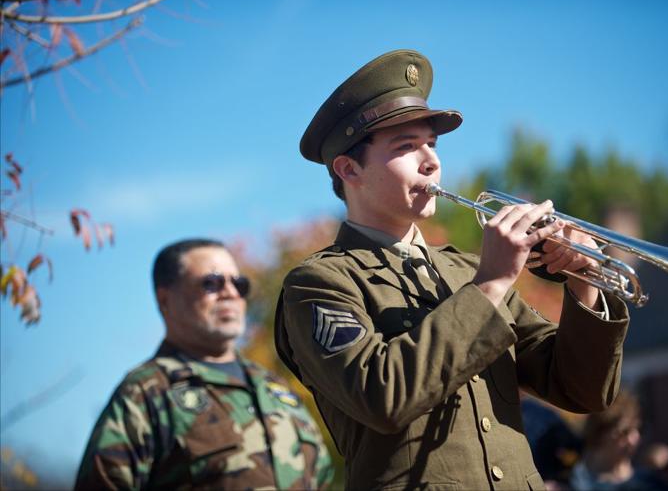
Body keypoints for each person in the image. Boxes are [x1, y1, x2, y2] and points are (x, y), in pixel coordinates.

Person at [274, 49, 631, 490]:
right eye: (406, 147)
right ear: (349, 169)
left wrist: (583, 286)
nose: (431, 161)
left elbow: (581, 391)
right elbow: (383, 396)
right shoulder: (320, 283)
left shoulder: (466, 269)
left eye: (432, 144)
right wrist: (492, 283)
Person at [75, 239, 334, 490]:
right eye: (211, 283)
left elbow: (322, 478)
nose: (231, 293)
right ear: (165, 300)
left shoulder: (275, 389)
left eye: (239, 284)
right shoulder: (144, 393)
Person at [570, 390, 668, 490]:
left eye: (638, 429)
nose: (634, 439)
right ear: (600, 435)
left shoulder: (651, 483)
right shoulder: (572, 480)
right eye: (624, 432)